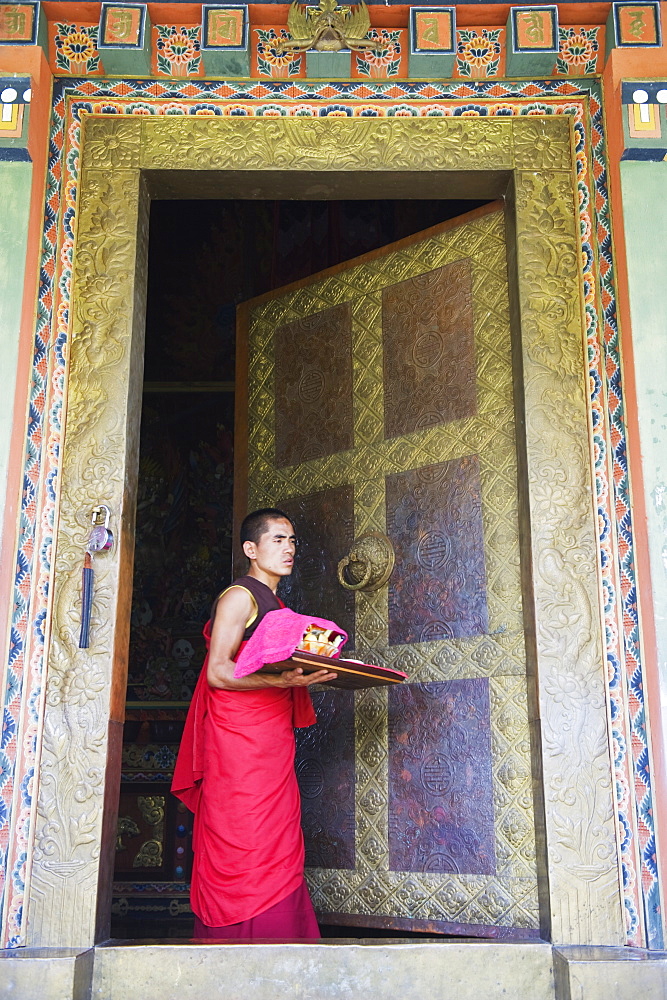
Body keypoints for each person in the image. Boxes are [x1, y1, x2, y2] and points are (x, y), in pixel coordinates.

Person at [171, 508, 337, 940]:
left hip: (269, 740)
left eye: (293, 541)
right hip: (237, 744)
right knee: (244, 829)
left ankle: (283, 939)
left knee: (277, 834)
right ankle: (237, 937)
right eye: (278, 539)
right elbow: (218, 673)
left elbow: (268, 672)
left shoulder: (277, 604)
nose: (289, 549)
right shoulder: (238, 597)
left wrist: (305, 679)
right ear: (251, 548)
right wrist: (281, 679)